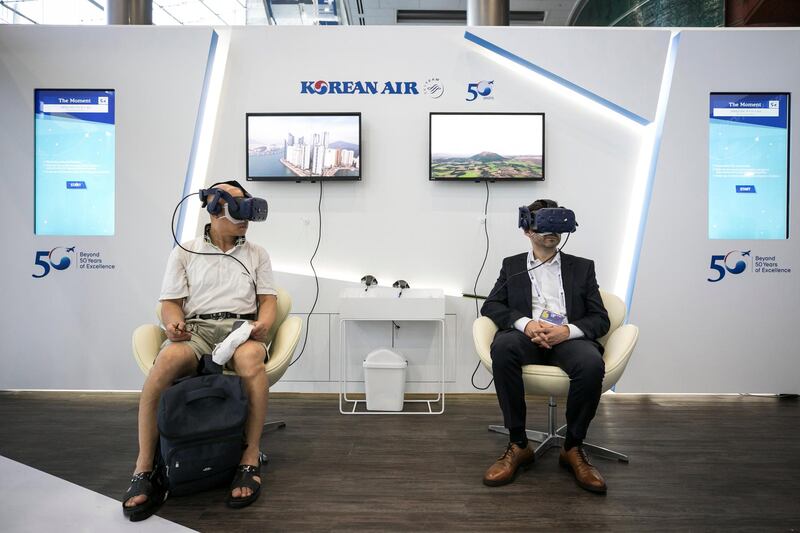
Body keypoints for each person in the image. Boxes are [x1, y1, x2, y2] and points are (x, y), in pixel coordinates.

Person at [123, 181, 277, 519]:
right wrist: (174, 322)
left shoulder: (257, 254)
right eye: (238, 207)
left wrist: (262, 324)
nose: (245, 217)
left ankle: (249, 457)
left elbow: (268, 300)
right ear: (213, 207)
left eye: (247, 207)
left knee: (251, 360)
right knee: (164, 364)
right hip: (197, 329)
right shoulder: (184, 251)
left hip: (241, 329)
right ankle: (144, 467)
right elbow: (170, 303)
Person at [480, 199, 611, 493]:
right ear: (527, 229)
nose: (552, 231)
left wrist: (567, 331)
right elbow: (491, 306)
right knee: (503, 349)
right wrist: (525, 324)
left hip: (566, 339)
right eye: (543, 223)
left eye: (557, 224)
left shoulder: (582, 267)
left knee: (591, 364)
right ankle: (518, 444)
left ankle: (573, 448)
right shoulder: (512, 265)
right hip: (526, 336)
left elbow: (600, 319)